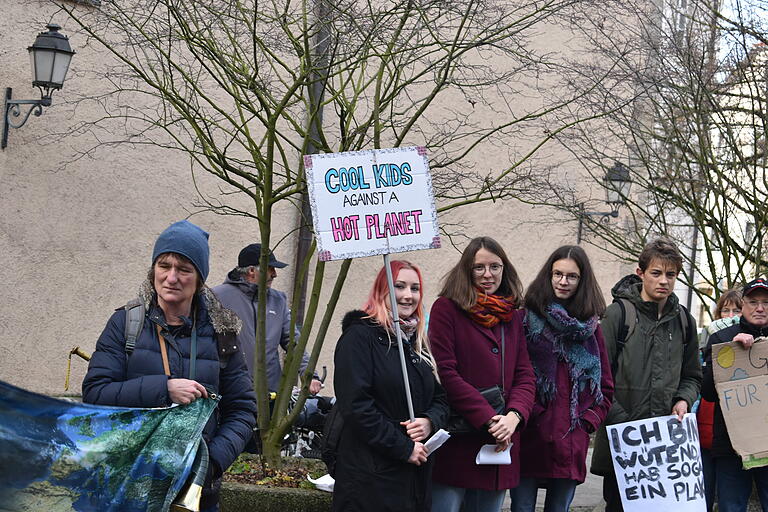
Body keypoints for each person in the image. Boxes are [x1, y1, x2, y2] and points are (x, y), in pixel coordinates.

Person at [82, 220, 256, 512]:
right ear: (153, 271)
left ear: (199, 278)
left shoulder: (222, 331)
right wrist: (164, 389)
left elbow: (242, 409)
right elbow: (96, 393)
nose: (171, 277)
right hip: (127, 484)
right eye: (164, 266)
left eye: (184, 269)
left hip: (194, 493)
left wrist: (210, 464)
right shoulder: (126, 323)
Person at [590, 237, 702, 512]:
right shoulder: (618, 315)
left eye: (671, 274)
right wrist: (624, 425)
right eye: (656, 273)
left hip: (666, 448)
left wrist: (683, 400)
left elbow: (693, 376)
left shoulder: (685, 322)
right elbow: (596, 377)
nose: (664, 280)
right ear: (641, 274)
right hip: (624, 449)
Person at [428, 236, 536, 512]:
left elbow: (524, 374)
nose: (488, 275)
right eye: (479, 268)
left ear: (504, 269)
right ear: (467, 270)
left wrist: (514, 417)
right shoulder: (446, 309)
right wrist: (490, 420)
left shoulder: (511, 315)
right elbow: (448, 374)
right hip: (461, 439)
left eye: (495, 267)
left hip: (501, 443)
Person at [332, 260, 449, 512]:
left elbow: (440, 399)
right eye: (399, 286)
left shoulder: (415, 341)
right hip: (370, 477)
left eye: (415, 288)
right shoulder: (358, 338)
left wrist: (429, 421)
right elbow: (356, 407)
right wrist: (403, 447)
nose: (408, 295)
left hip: (413, 479)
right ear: (382, 289)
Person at [510, 246, 614, 512]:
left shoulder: (591, 330)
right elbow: (513, 376)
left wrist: (586, 423)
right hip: (530, 434)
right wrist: (528, 414)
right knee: (521, 507)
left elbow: (605, 388)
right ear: (548, 275)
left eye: (571, 276)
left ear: (582, 281)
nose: (563, 281)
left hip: (570, 442)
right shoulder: (524, 320)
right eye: (557, 274)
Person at [212, 243, 321, 395]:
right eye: (271, 268)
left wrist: (309, 374)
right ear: (252, 271)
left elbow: (294, 342)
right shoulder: (217, 298)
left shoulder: (278, 300)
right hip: (231, 394)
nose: (275, 274)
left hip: (270, 396)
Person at [702, 278, 768, 512]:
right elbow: (708, 392)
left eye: (766, 302)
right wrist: (730, 353)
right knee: (731, 507)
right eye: (753, 302)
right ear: (744, 304)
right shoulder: (722, 339)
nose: (760, 308)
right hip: (731, 448)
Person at [698, 289, 742, 512]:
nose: (730, 315)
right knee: (703, 491)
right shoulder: (707, 340)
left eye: (736, 310)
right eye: (726, 310)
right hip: (703, 430)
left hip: (729, 434)